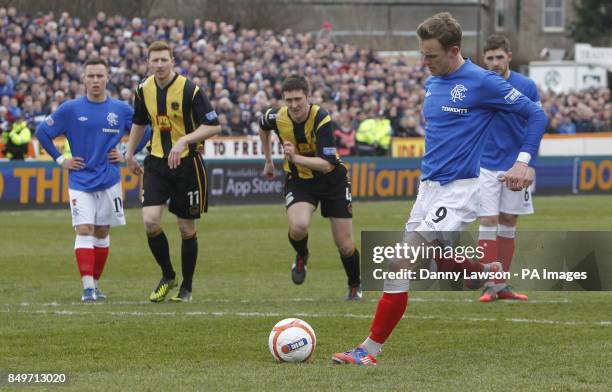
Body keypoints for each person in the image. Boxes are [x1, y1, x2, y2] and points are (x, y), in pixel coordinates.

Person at [332, 12, 547, 365]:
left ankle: (369, 351)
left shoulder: (482, 82)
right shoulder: (432, 82)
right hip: (428, 189)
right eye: (422, 54)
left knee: (400, 262)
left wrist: (523, 161)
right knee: (434, 261)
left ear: (454, 50)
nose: (425, 62)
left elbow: (536, 114)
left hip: (460, 190)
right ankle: (483, 271)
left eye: (431, 55)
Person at [124, 41, 221, 303]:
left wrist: (184, 140)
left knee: (185, 228)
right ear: (148, 63)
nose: (159, 65)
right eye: (154, 60)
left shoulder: (190, 89)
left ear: (172, 61)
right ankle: (168, 275)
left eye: (163, 60)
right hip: (156, 162)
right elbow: (139, 122)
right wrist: (130, 153)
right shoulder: (143, 89)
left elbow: (213, 125)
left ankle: (186, 287)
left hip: (187, 165)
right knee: (150, 220)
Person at [35, 58, 134, 302]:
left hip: (109, 179)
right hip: (80, 179)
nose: (95, 80)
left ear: (107, 78)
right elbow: (42, 132)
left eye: (100, 76)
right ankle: (87, 288)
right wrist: (61, 160)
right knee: (84, 228)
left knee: (101, 232)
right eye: (91, 76)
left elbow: (146, 130)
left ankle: (96, 285)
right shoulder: (71, 109)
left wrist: (126, 154)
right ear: (84, 79)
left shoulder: (121, 109)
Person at [259, 74, 362, 300]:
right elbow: (262, 124)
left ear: (308, 96)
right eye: (289, 100)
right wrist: (268, 160)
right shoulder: (276, 116)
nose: (294, 105)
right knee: (298, 226)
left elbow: (326, 165)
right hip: (300, 180)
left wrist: (294, 158)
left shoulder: (321, 118)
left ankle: (355, 285)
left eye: (298, 99)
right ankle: (302, 255)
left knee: (344, 244)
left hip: (332, 180)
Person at [477, 34, 541, 302]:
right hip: (485, 165)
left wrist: (529, 165)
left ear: (509, 57)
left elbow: (535, 127)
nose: (494, 62)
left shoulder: (527, 86)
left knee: (508, 222)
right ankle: (487, 283)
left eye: (499, 57)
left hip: (516, 165)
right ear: (484, 59)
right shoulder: (479, 85)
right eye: (489, 58)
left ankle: (501, 284)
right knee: (488, 221)